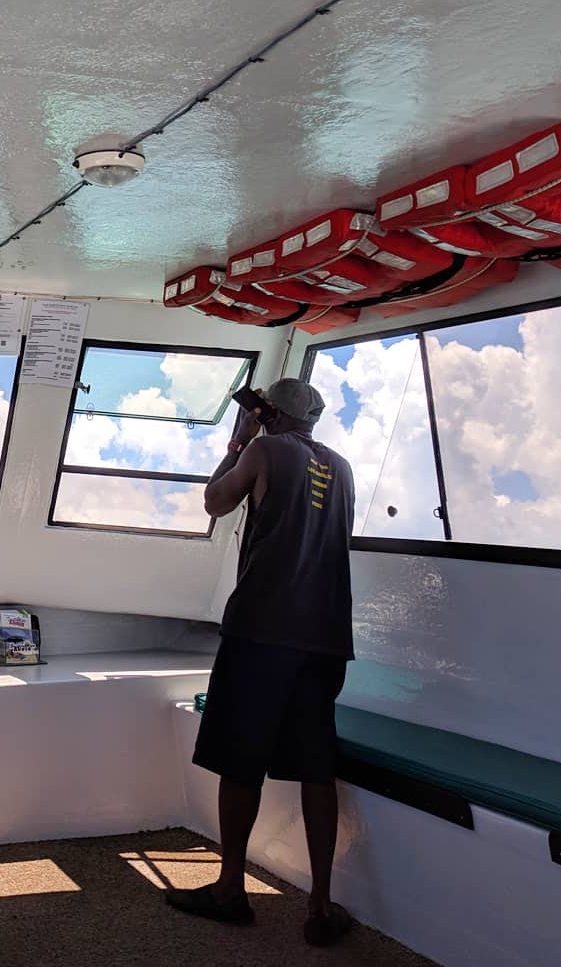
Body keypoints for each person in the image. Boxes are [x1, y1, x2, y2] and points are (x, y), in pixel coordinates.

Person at [167, 377, 355, 947]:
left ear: (269, 412)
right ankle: (320, 906)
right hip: (324, 636)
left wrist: (239, 439)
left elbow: (216, 501)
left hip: (263, 629)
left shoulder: (264, 447)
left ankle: (230, 889)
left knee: (240, 758)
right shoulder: (342, 466)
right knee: (317, 765)